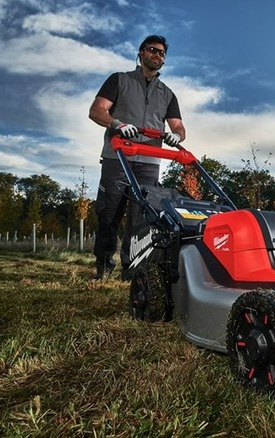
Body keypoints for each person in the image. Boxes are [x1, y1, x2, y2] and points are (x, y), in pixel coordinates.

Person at [88, 35, 186, 280]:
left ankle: (132, 270)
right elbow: (97, 110)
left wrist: (175, 136)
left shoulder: (168, 94)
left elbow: (179, 127)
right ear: (141, 53)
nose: (157, 55)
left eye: (162, 53)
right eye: (153, 50)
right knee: (109, 212)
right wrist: (117, 123)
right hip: (118, 155)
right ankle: (103, 267)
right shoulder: (119, 80)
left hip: (150, 161)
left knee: (143, 219)